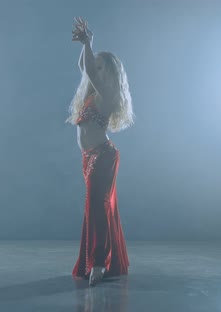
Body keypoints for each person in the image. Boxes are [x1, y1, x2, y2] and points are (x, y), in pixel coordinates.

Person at [68, 17, 134, 286]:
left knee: (97, 207)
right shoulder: (92, 95)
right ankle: (105, 261)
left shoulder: (108, 94)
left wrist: (88, 42)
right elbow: (85, 67)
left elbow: (89, 71)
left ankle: (99, 263)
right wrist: (87, 46)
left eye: (99, 67)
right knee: (98, 208)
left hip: (103, 156)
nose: (93, 70)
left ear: (109, 72)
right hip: (89, 158)